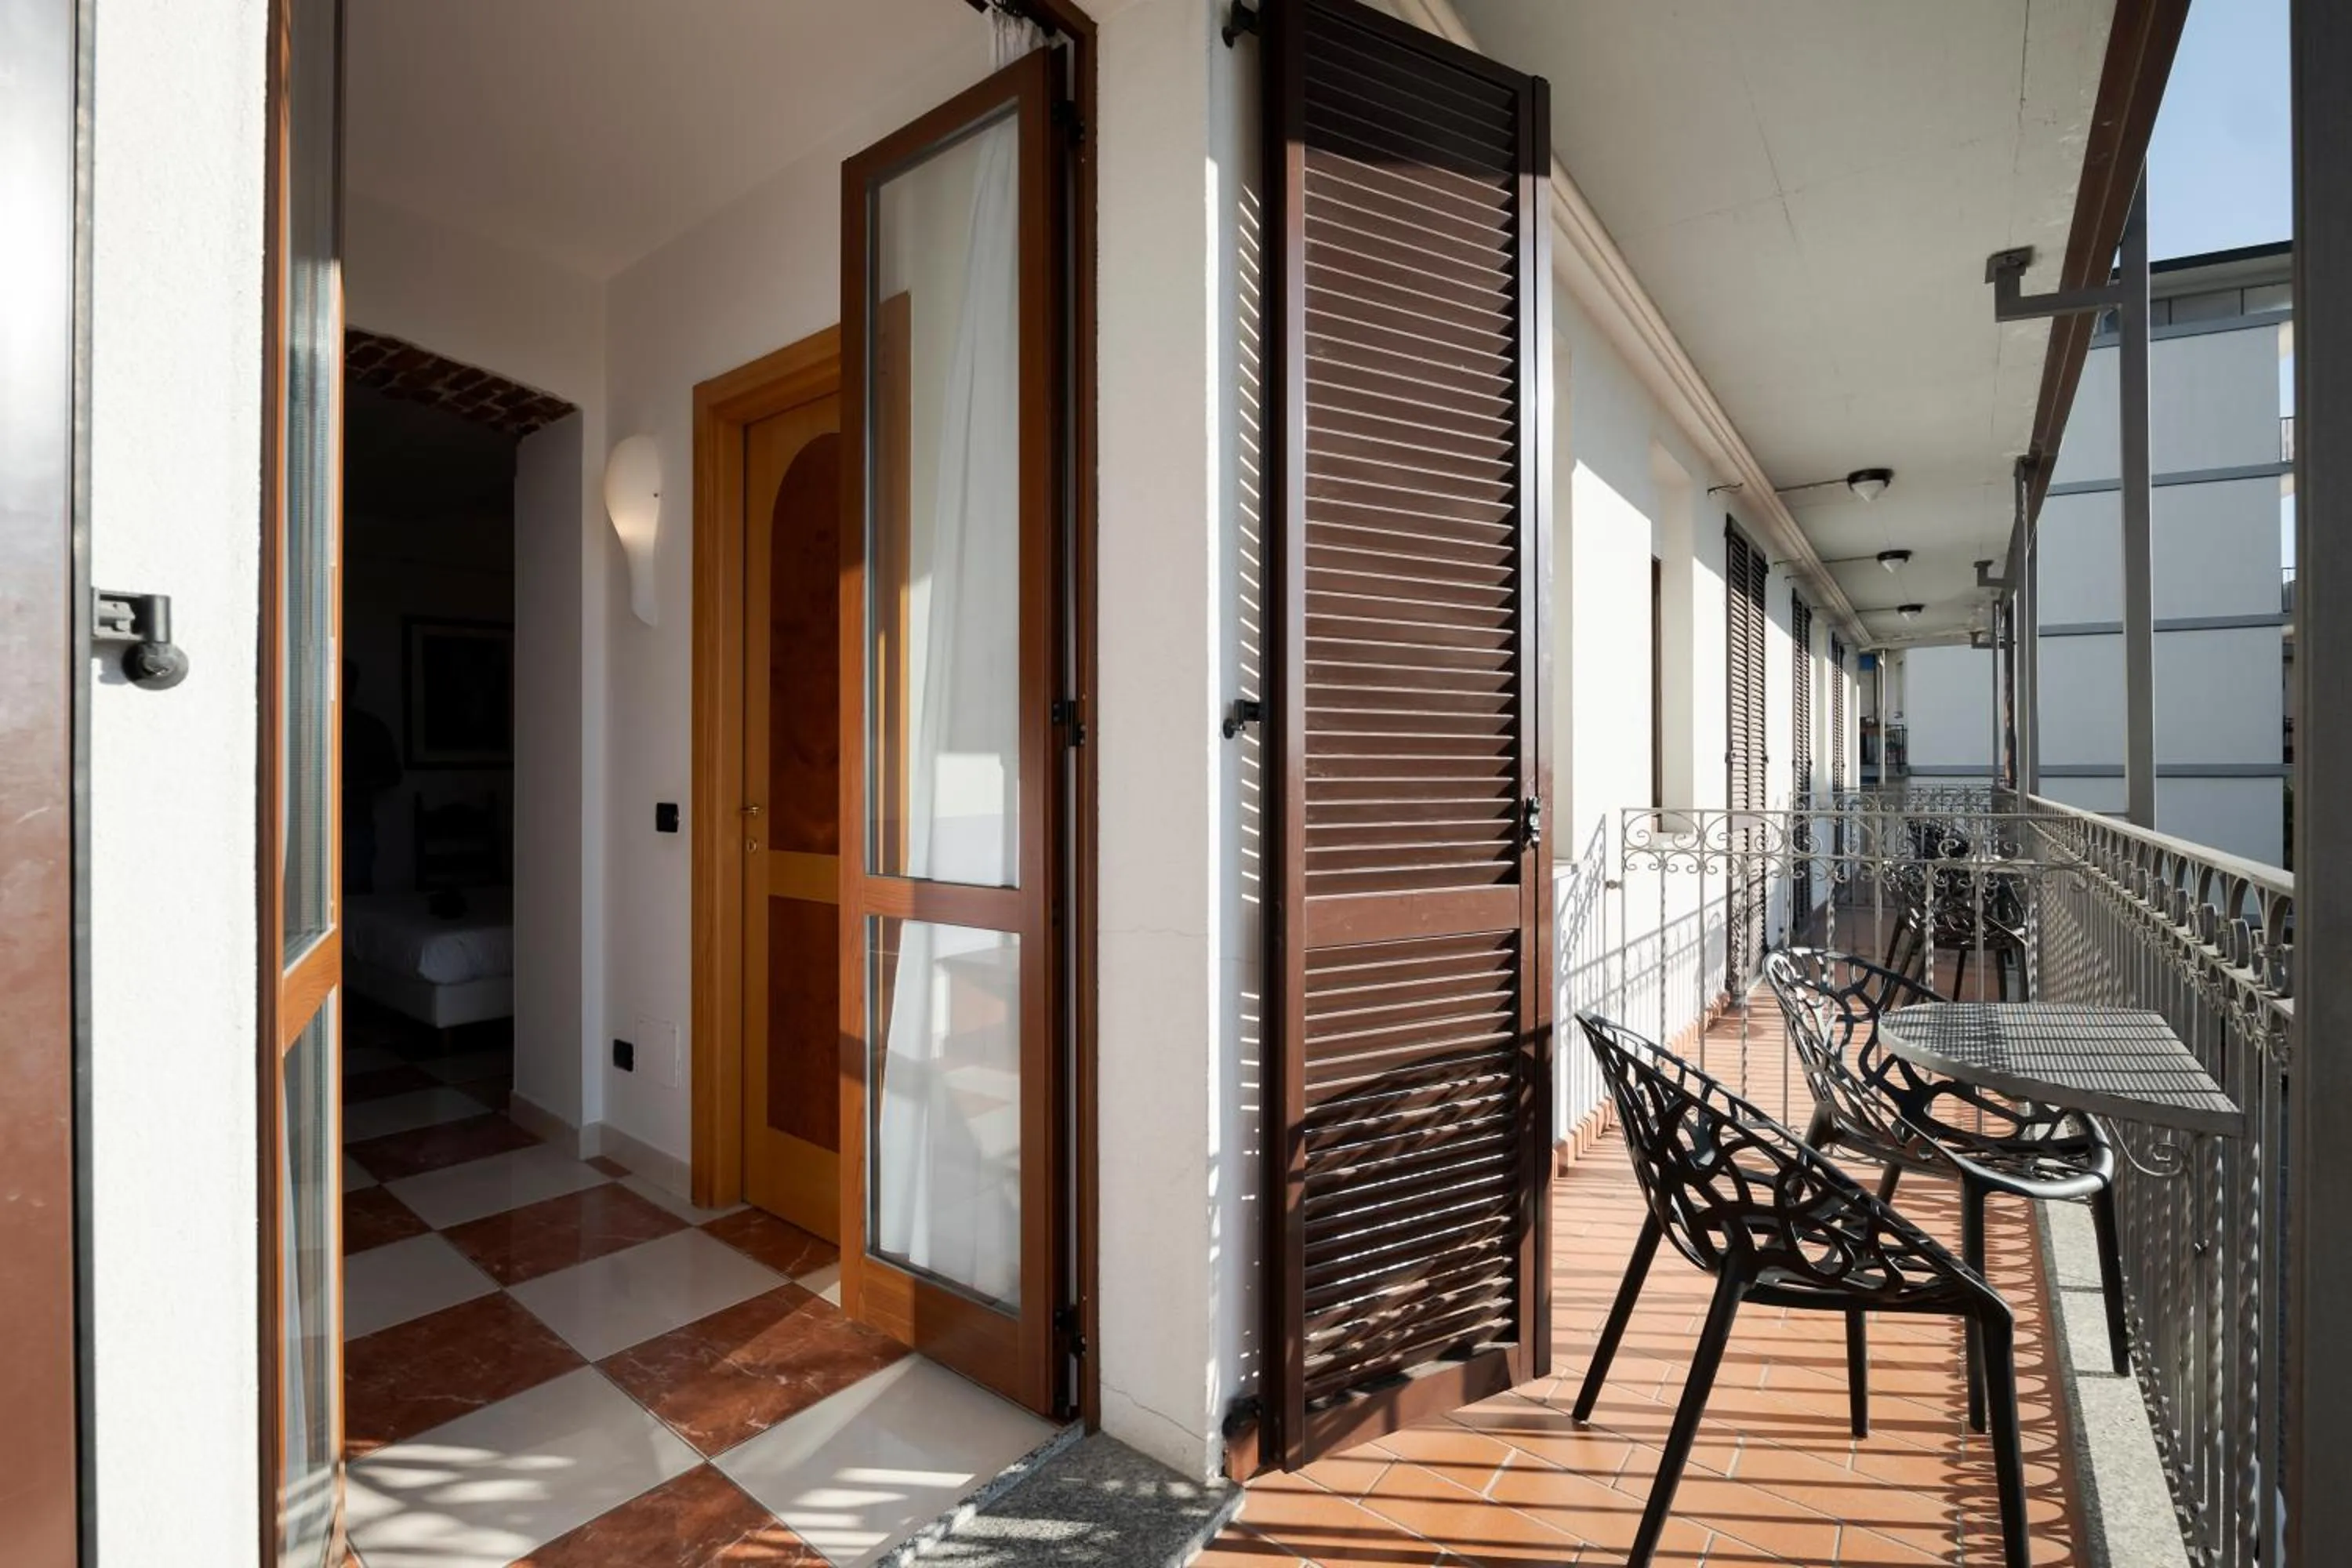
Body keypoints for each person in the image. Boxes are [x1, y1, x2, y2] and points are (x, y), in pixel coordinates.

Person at [345, 661, 402, 893]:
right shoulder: (310, 723)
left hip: (356, 822)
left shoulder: (369, 727)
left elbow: (392, 776)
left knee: (357, 898)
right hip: (309, 824)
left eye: (347, 682)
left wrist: (354, 786)